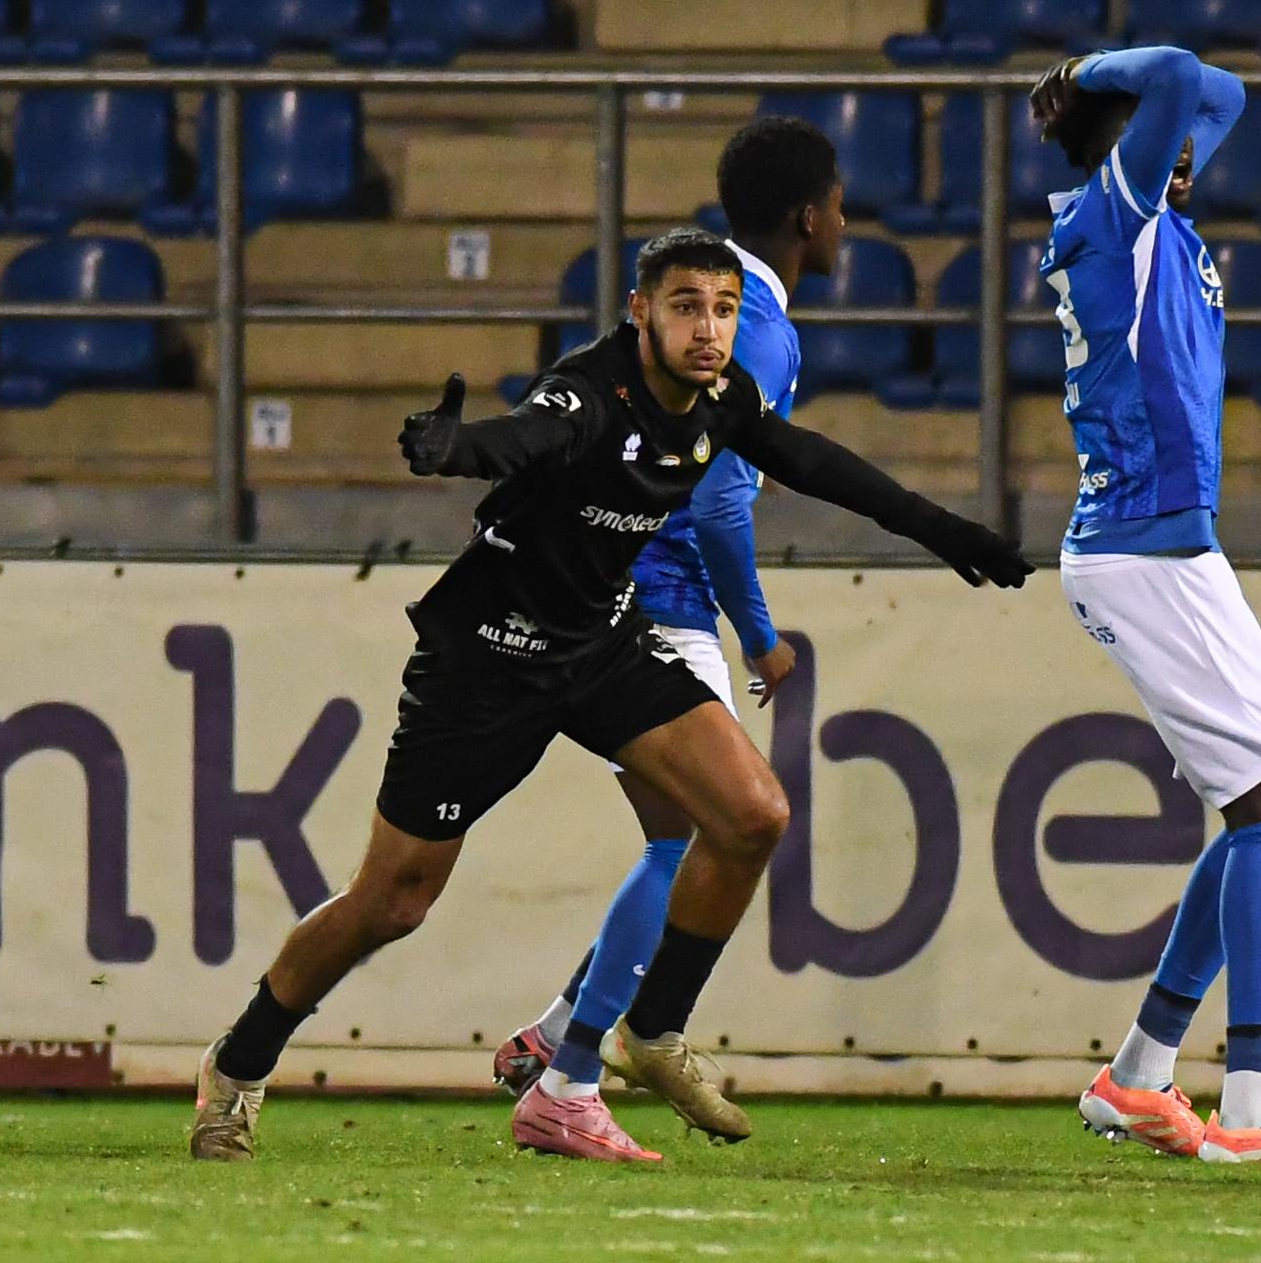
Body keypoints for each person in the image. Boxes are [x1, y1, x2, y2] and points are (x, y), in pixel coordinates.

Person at [189, 228, 1031, 1165]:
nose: (709, 328)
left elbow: (820, 463)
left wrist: (947, 530)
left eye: (722, 309)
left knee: (752, 815)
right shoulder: (593, 392)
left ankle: (653, 1030)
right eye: (685, 307)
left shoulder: (721, 397)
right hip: (488, 660)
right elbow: (528, 434)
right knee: (391, 902)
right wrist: (458, 448)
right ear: (640, 313)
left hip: (598, 645)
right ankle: (237, 1064)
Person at [1030, 46, 1261, 1166]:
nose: (1188, 148)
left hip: (1163, 546)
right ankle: (1247, 1106)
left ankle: (1139, 1075)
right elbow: (1180, 71)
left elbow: (1218, 94)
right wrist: (1089, 68)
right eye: (1157, 134)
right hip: (1147, 548)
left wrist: (1115, 100)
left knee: (1258, 808)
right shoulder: (1113, 213)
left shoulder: (1144, 203)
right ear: (1123, 140)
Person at [490, 118, 842, 1143]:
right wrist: (762, 633)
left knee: (675, 839)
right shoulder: (757, 328)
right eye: (841, 208)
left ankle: (556, 1034)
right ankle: (570, 1079)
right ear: (809, 217)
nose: (848, 225)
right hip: (660, 594)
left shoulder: (701, 298)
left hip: (604, 580)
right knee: (708, 835)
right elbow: (725, 503)